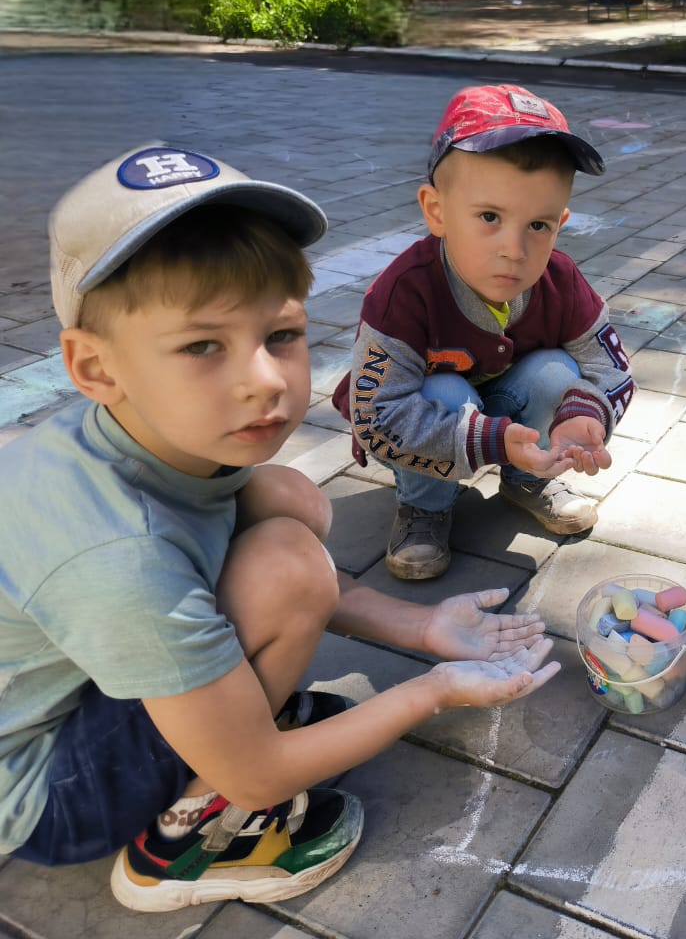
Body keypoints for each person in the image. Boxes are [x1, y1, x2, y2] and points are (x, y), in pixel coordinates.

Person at [0, 144, 561, 913]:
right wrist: (432, 691)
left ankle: (219, 712)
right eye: (202, 345)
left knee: (286, 500)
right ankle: (184, 844)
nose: (265, 380)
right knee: (286, 565)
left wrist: (423, 626)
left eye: (281, 335)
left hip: (79, 681)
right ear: (95, 367)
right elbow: (260, 771)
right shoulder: (119, 555)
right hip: (47, 793)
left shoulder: (146, 434)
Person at [331, 83, 635, 581]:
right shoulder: (403, 291)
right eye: (490, 217)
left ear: (560, 223)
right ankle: (425, 504)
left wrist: (585, 414)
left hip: (504, 411)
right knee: (444, 392)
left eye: (538, 225)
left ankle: (528, 476)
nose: (514, 249)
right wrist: (490, 439)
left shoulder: (560, 278)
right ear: (437, 211)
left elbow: (612, 368)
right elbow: (377, 415)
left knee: (557, 373)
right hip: (435, 418)